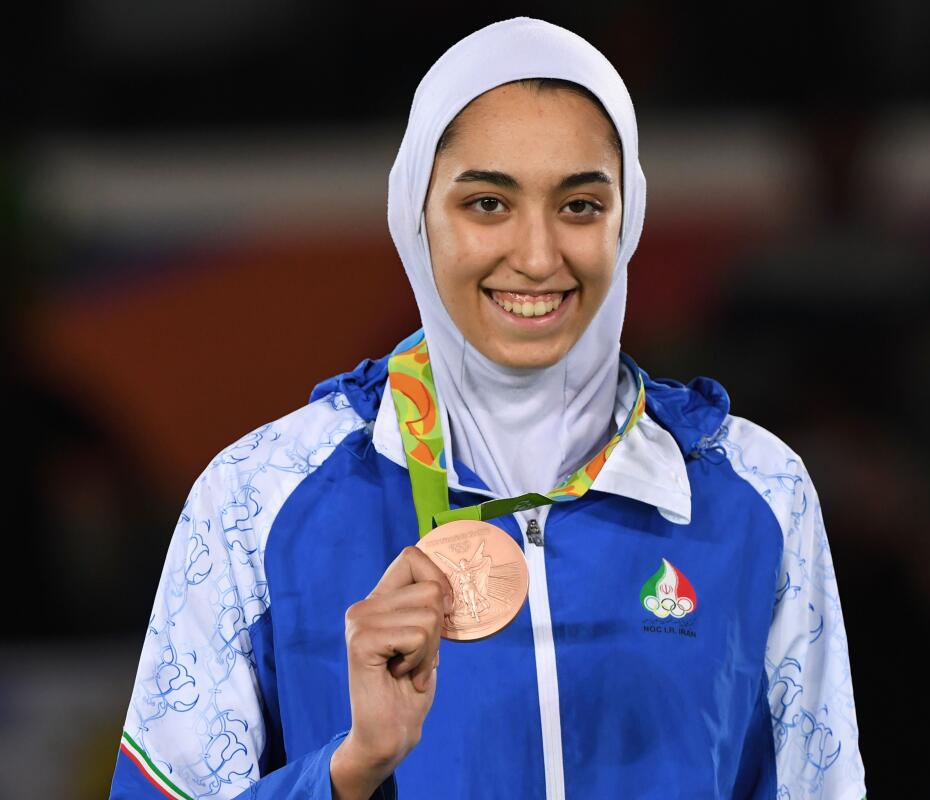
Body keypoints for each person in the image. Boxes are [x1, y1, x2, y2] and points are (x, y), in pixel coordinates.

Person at [108, 16, 867, 800]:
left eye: (579, 205)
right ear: (416, 215)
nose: (537, 257)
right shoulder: (254, 501)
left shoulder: (757, 492)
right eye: (487, 204)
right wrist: (347, 772)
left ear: (628, 217)